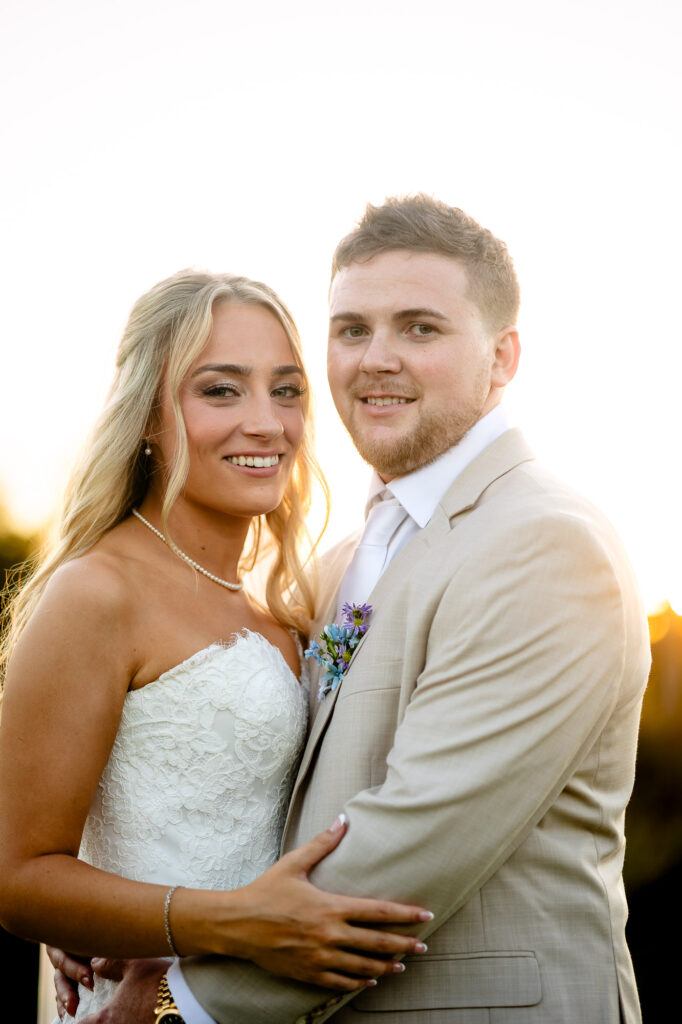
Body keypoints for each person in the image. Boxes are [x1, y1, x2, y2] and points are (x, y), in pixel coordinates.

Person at [50, 196, 650, 1024]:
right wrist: (110, 904)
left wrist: (173, 1000)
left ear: (503, 356)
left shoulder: (545, 542)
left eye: (420, 329)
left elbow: (414, 843)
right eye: (352, 329)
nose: (376, 360)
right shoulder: (333, 567)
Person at [0, 271, 433, 1021]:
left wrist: (110, 910)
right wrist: (219, 926)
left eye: (287, 390)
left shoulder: (290, 607)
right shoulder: (97, 592)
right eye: (221, 391)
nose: (266, 424)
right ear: (146, 415)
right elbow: (18, 879)